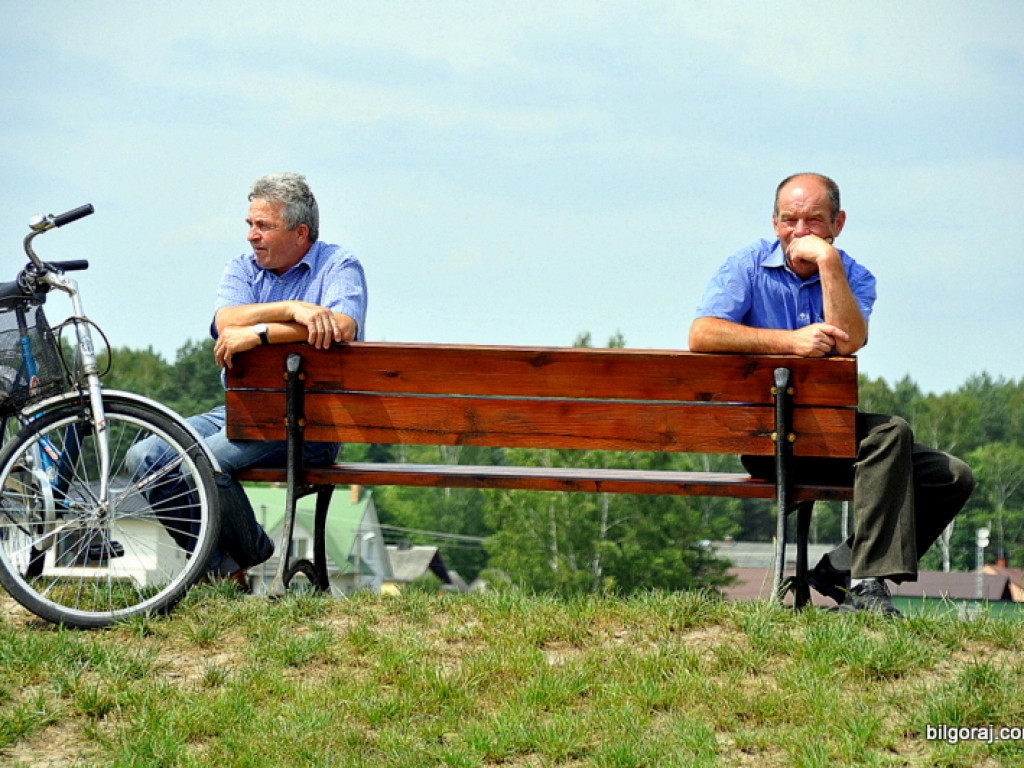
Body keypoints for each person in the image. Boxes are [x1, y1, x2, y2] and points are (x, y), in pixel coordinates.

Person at [689, 172, 974, 615]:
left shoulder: (853, 275)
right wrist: (791, 342)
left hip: (829, 435)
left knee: (950, 475)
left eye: (814, 221)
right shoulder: (745, 266)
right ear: (773, 221)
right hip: (764, 439)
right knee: (889, 433)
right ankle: (866, 586)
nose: (799, 232)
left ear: (838, 224)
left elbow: (849, 340)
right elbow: (702, 333)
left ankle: (840, 569)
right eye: (789, 220)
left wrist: (829, 264)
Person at [129, 172, 368, 589]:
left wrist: (258, 333)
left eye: (264, 226)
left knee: (203, 460)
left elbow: (342, 327)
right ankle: (227, 563)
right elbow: (225, 320)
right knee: (143, 458)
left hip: (308, 423)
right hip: (241, 412)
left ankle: (241, 558)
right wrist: (294, 310)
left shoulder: (339, 265)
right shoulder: (241, 267)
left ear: (300, 233)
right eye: (250, 224)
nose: (252, 236)